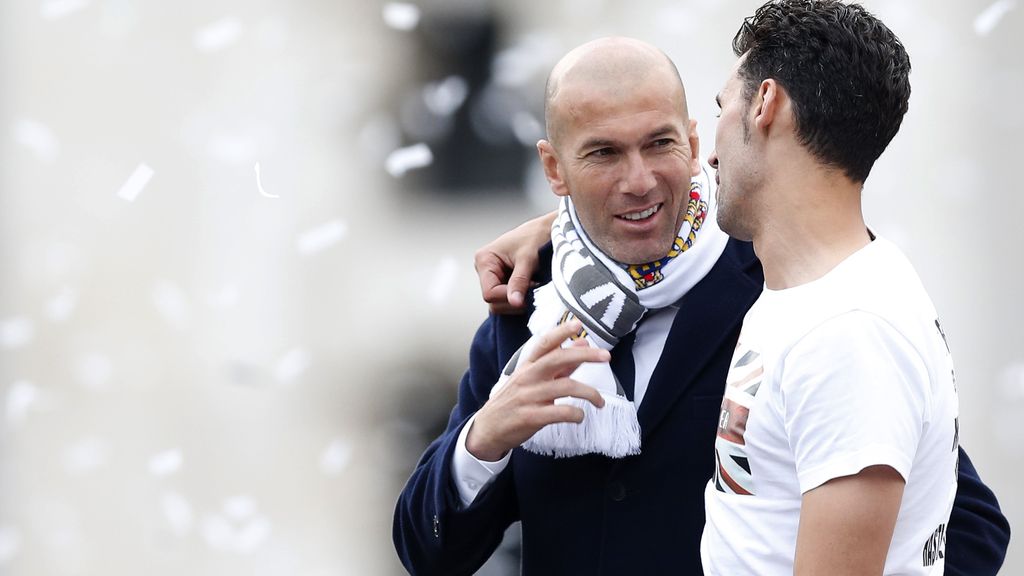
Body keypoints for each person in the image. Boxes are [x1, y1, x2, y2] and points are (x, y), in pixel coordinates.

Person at [395, 27, 1010, 576]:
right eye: (604, 153)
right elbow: (427, 551)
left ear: (692, 141)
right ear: (555, 171)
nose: (638, 179)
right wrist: (481, 442)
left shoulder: (794, 290)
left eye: (659, 144)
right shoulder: (531, 302)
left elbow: (965, 525)